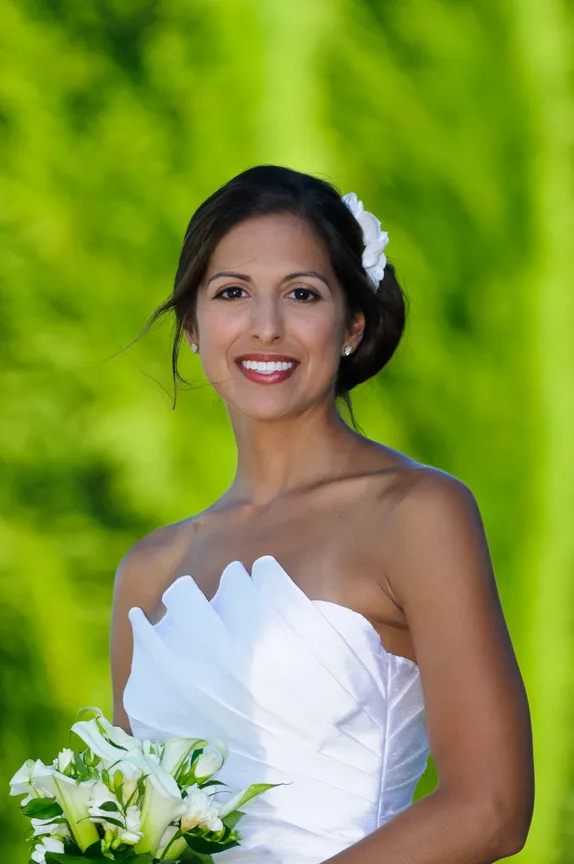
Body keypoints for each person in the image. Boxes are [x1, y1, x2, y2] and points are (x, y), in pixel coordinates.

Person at [110, 165, 534, 863]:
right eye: (233, 293)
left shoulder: (417, 514)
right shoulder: (148, 573)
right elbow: (132, 833)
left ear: (352, 324)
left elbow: (490, 809)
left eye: (301, 294)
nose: (265, 326)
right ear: (193, 325)